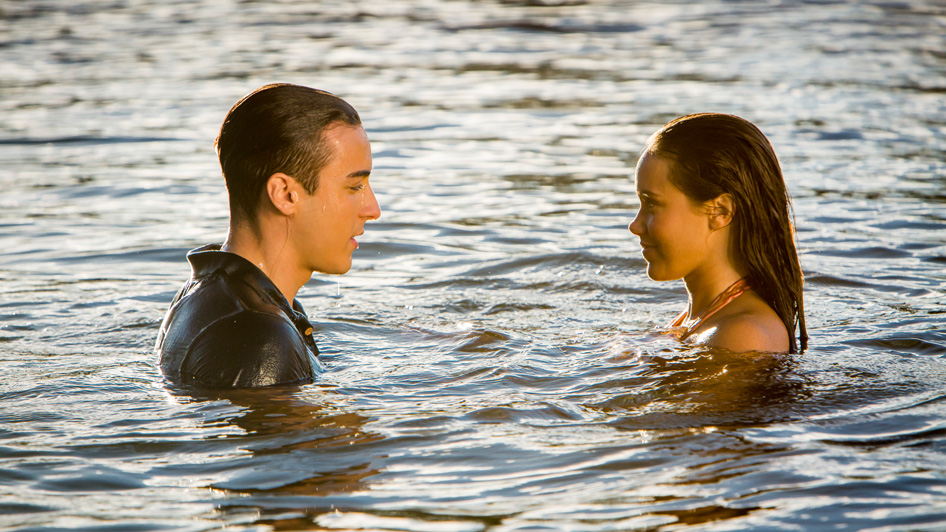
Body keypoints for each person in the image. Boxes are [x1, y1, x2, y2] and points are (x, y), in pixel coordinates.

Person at [155, 83, 381, 388]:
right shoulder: (262, 340)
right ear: (285, 194)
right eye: (355, 187)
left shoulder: (206, 291)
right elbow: (276, 434)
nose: (373, 208)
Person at [628, 113, 807, 353]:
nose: (635, 226)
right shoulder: (699, 322)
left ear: (720, 212)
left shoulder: (742, 335)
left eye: (651, 203)